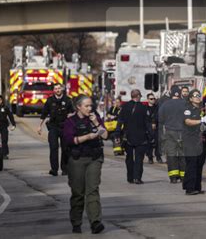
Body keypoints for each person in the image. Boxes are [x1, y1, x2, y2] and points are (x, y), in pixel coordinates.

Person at [63, 95, 108, 234]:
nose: (90, 108)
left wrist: (96, 123)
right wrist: (88, 137)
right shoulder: (71, 121)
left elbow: (105, 135)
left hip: (94, 158)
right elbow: (69, 140)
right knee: (78, 192)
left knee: (93, 189)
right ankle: (76, 222)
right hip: (77, 159)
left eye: (91, 106)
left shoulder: (94, 118)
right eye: (87, 106)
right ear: (79, 107)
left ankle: (95, 222)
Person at [114, 89, 153, 184]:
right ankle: (137, 178)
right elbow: (148, 123)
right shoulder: (144, 108)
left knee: (129, 158)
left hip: (128, 137)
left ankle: (130, 177)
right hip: (141, 137)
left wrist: (117, 134)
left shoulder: (125, 107)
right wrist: (151, 135)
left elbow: (120, 121)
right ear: (138, 96)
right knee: (139, 158)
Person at [38, 83, 74, 176]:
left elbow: (73, 112)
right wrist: (40, 126)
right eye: (55, 88)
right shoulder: (50, 100)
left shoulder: (68, 100)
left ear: (62, 89)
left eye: (59, 88)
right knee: (53, 148)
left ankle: (65, 169)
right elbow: (44, 113)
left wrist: (71, 115)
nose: (57, 90)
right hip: (53, 127)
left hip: (65, 127)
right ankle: (54, 169)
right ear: (53, 90)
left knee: (65, 149)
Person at [158, 85, 187, 183]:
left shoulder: (165, 104)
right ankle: (183, 176)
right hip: (184, 132)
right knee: (183, 154)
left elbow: (160, 119)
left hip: (170, 132)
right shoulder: (186, 104)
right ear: (180, 94)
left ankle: (173, 177)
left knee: (171, 154)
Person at [183, 89, 205, 195]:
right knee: (191, 164)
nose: (197, 97)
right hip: (189, 140)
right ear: (191, 98)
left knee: (199, 164)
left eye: (198, 95)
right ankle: (189, 188)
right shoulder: (188, 109)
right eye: (195, 95)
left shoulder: (201, 110)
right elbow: (187, 121)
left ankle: (197, 187)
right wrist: (201, 121)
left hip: (199, 141)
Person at [0, 95, 16, 159]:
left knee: (4, 139)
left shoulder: (5, 107)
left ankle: (5, 154)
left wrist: (13, 124)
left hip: (4, 125)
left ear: (2, 101)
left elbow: (10, 116)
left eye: (0, 100)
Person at [146, 93, 162, 164]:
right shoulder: (145, 108)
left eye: (154, 99)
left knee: (158, 143)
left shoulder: (157, 107)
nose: (153, 100)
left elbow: (159, 116)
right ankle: (150, 158)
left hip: (157, 127)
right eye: (151, 99)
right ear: (148, 100)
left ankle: (158, 157)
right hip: (148, 128)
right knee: (149, 143)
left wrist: (154, 122)